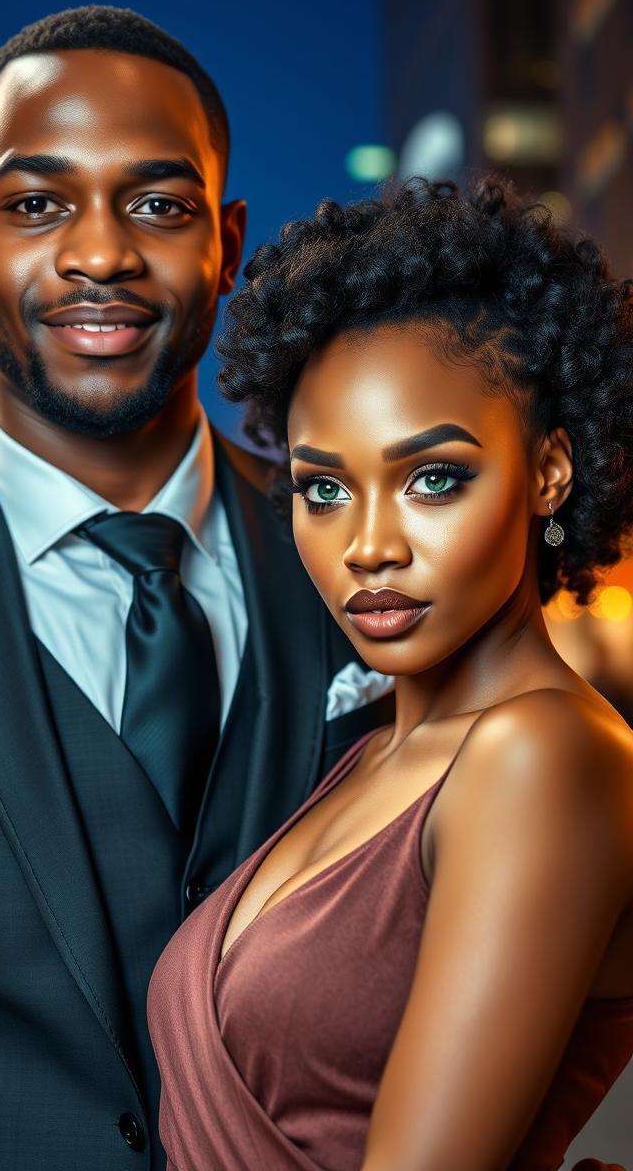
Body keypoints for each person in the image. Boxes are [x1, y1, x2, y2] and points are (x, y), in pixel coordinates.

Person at [0, 7, 392, 1170]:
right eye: (34, 204)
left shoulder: (369, 571)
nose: (100, 253)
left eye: (160, 206)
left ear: (226, 240)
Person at [148, 178, 633, 1170]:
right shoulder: (368, 754)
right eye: (324, 487)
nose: (367, 545)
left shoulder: (542, 754)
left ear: (547, 469)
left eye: (432, 478)